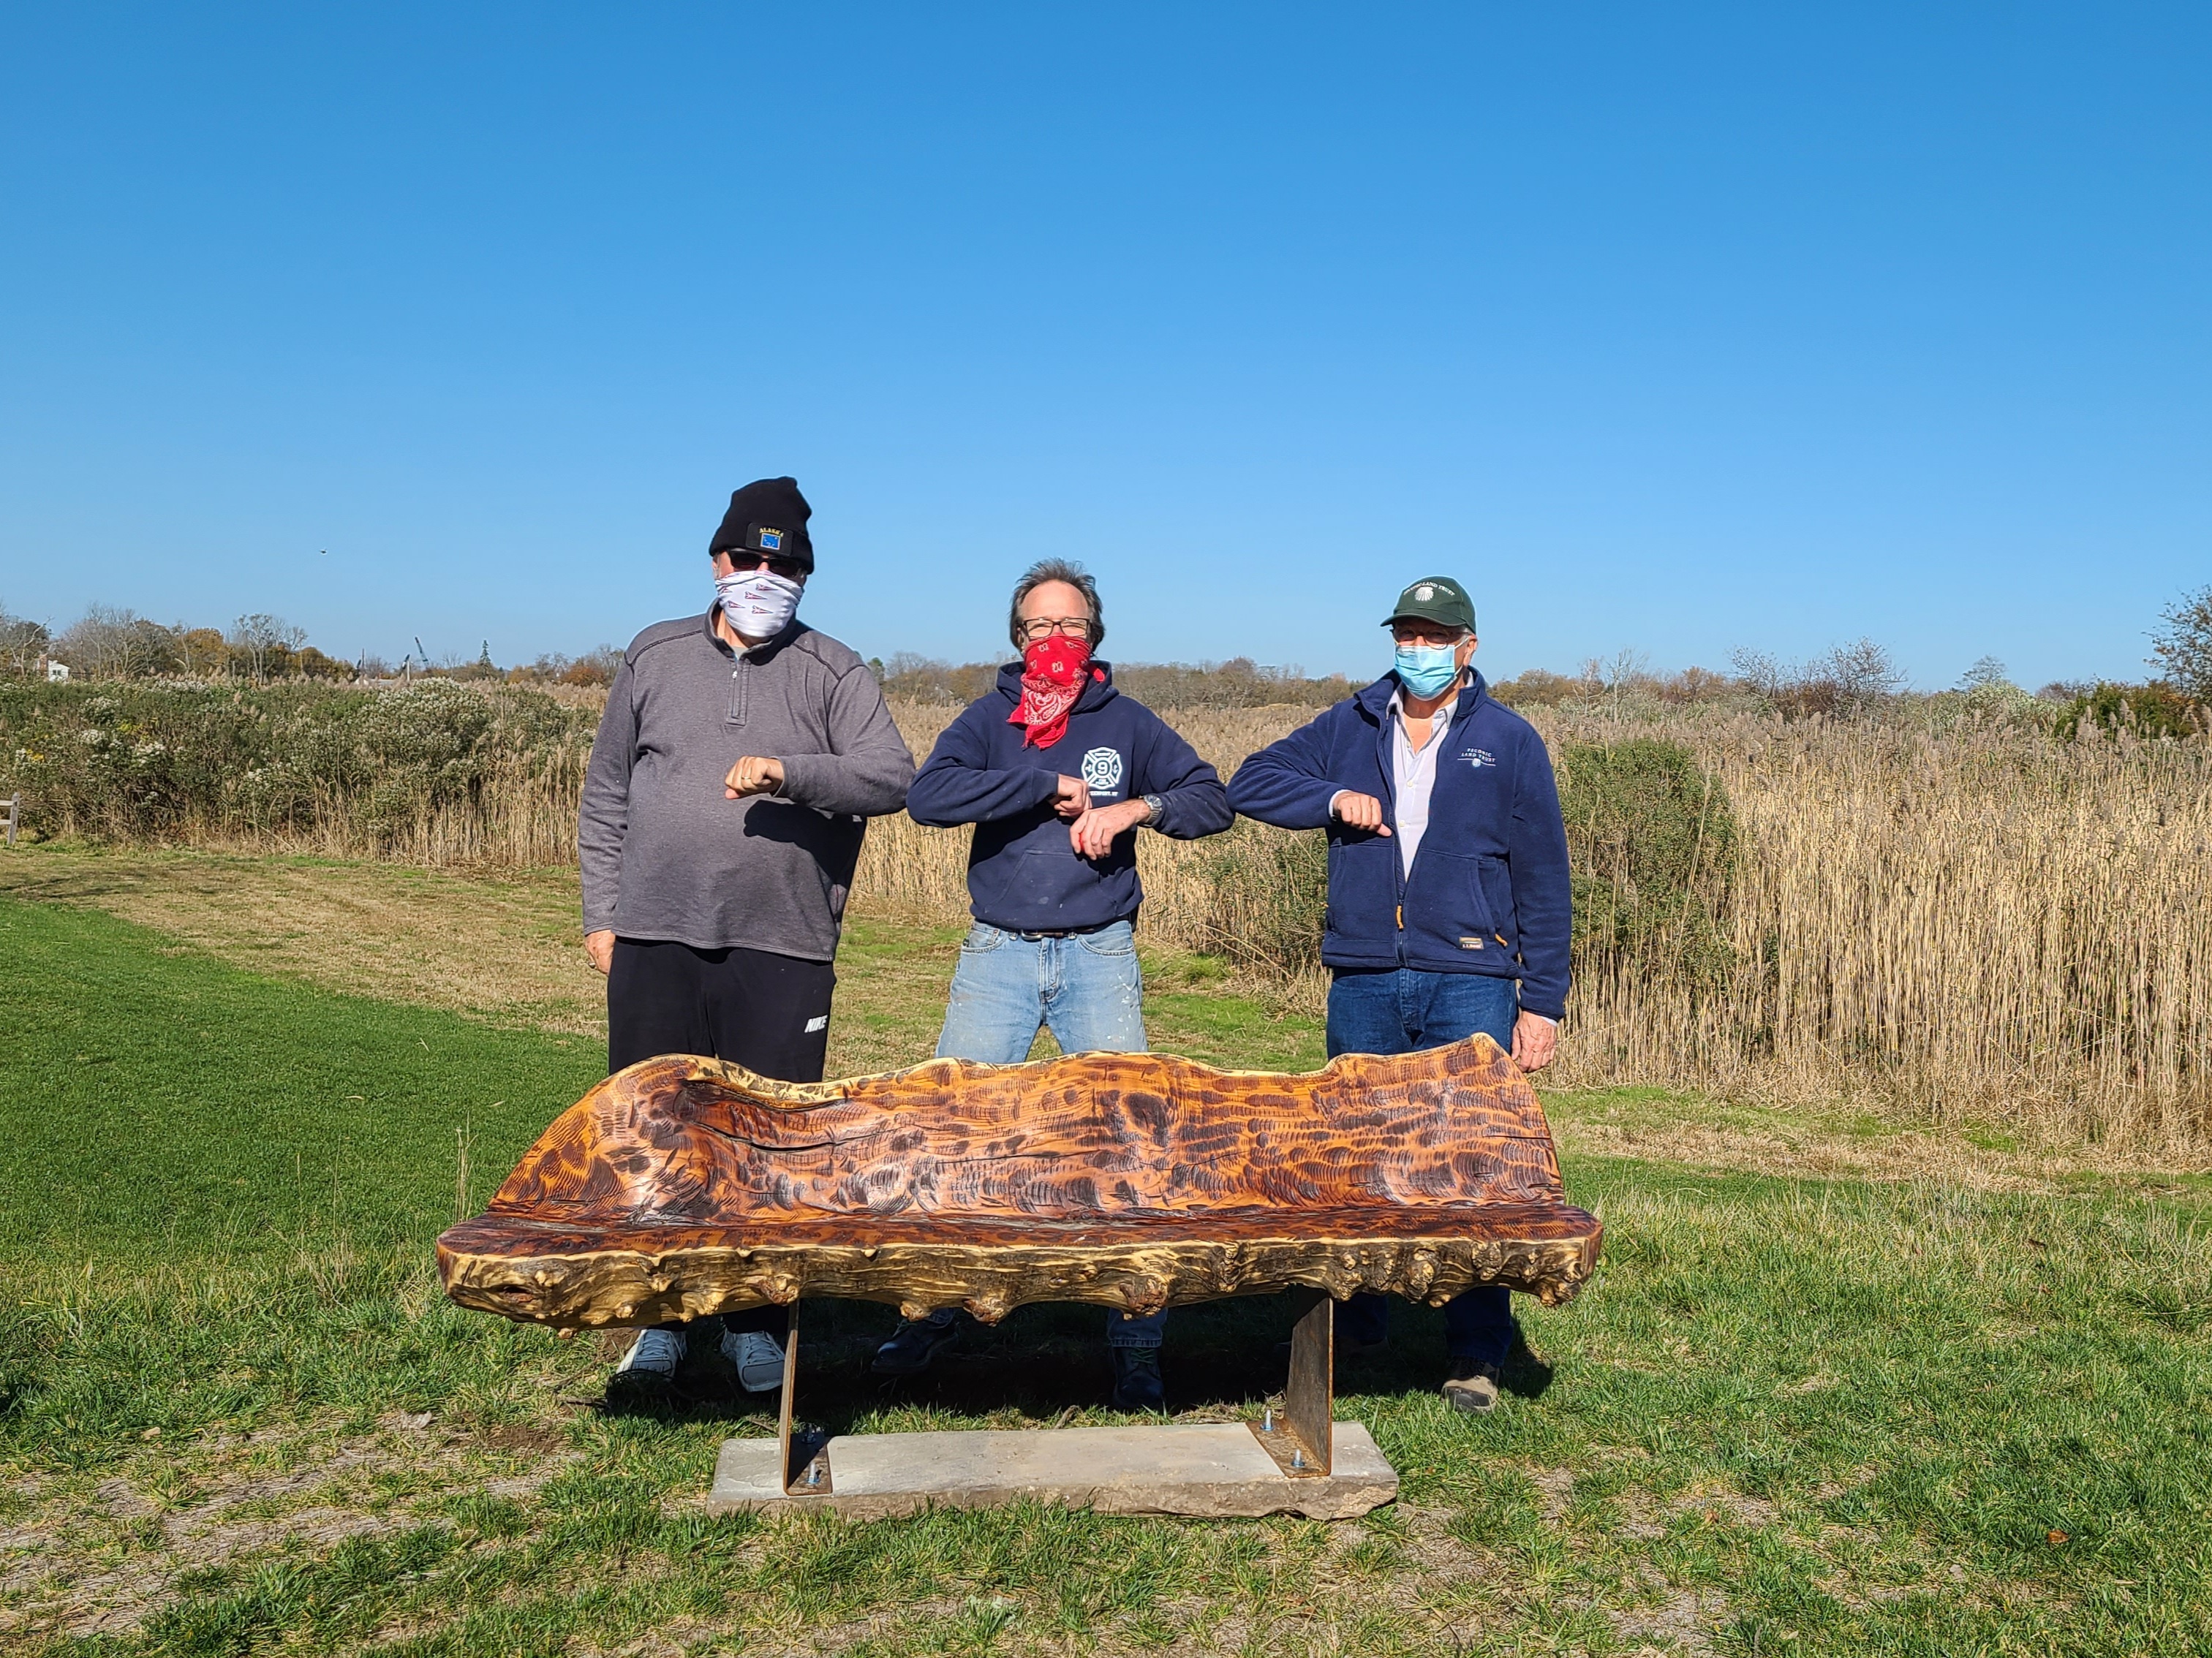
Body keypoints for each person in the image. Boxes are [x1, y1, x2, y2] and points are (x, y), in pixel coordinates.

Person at [578, 475, 916, 1400]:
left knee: (770, 1144)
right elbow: (607, 790)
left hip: (783, 946)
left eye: (785, 564)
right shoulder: (653, 656)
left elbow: (892, 779)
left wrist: (794, 772)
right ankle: (660, 1324)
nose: (765, 575)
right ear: (718, 562)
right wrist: (603, 914)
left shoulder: (835, 671)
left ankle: (758, 1325)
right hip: (653, 939)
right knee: (656, 1135)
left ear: (803, 574)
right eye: (750, 559)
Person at [879, 558, 1233, 1407]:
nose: (1055, 640)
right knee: (952, 1136)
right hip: (996, 953)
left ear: (1094, 635)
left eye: (1070, 625)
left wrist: (1133, 809)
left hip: (1098, 956)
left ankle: (1137, 1340)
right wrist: (1043, 785)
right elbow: (927, 798)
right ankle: (933, 1316)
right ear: (1017, 637)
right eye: (1039, 626)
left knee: (1129, 1149)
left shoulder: (1131, 723)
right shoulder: (987, 719)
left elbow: (1210, 799)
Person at [1226, 575, 1570, 1414]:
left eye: (1433, 636)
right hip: (1367, 975)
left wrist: (1542, 1001)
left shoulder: (1508, 740)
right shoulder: (1350, 723)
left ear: (1468, 647)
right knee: (1353, 1153)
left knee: (1472, 1165)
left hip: (1471, 978)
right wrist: (1328, 798)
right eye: (1406, 635)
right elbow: (1249, 782)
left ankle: (1476, 1351)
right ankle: (1356, 1321)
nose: (1417, 650)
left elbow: (1544, 877)